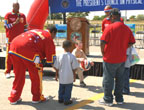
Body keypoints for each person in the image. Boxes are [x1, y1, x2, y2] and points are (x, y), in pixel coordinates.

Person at [8, 26, 57, 104]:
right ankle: (37, 97)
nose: (54, 38)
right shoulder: (48, 37)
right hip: (28, 50)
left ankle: (14, 97)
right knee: (36, 75)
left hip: (14, 47)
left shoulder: (37, 30)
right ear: (53, 32)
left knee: (18, 75)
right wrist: (57, 70)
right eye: (55, 35)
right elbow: (51, 59)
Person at [99, 8, 135, 106]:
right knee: (120, 79)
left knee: (108, 79)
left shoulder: (109, 28)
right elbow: (132, 42)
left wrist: (103, 52)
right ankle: (119, 99)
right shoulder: (127, 28)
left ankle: (108, 99)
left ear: (112, 16)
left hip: (109, 58)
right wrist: (124, 47)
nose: (109, 18)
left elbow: (102, 42)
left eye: (110, 17)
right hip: (122, 59)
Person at [4, 2, 27, 78]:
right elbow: (6, 26)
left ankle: (17, 71)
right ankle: (7, 72)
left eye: (19, 6)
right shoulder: (8, 15)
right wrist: (14, 23)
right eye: (16, 6)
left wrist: (26, 36)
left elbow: (25, 28)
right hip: (10, 39)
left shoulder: (22, 15)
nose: (18, 7)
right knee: (9, 55)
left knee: (19, 56)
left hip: (20, 40)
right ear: (13, 6)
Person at [54, 40, 79, 105]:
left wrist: (56, 75)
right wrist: (74, 76)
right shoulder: (72, 56)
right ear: (70, 47)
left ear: (62, 46)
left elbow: (57, 67)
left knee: (61, 87)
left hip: (61, 76)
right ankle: (67, 100)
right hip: (69, 76)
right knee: (68, 88)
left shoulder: (59, 56)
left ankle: (60, 99)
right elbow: (74, 68)